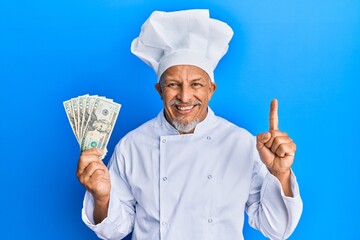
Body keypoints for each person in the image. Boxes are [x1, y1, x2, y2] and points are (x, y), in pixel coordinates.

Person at [76, 9, 303, 240]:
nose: (184, 97)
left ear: (211, 90)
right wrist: (102, 198)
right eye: (173, 84)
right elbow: (114, 231)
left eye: (196, 84)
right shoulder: (132, 146)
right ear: (160, 90)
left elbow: (277, 229)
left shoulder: (241, 143)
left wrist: (280, 174)